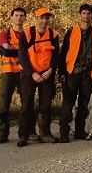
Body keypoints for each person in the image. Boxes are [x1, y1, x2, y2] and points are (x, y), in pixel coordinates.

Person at [58, 4, 92, 143]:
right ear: (80, 15)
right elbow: (63, 52)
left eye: (89, 13)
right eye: (84, 13)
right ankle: (64, 133)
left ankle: (79, 131)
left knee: (84, 103)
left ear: (91, 16)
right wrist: (62, 72)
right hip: (72, 72)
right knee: (68, 103)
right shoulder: (72, 31)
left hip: (88, 73)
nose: (86, 16)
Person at [17, 8, 60, 147]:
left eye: (47, 18)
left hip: (47, 74)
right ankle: (24, 135)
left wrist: (51, 70)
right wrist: (32, 73)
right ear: (36, 18)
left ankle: (45, 134)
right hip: (30, 75)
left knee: (45, 106)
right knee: (26, 106)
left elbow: (56, 56)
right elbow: (22, 56)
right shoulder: (27, 33)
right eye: (42, 18)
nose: (44, 21)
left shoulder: (53, 34)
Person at [0, 7, 27, 144]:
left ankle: (25, 134)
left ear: (25, 18)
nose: (19, 18)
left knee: (26, 105)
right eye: (16, 15)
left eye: (21, 15)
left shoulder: (28, 35)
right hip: (8, 73)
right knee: (3, 105)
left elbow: (31, 54)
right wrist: (21, 52)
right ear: (11, 18)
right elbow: (5, 52)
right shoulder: (5, 34)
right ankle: (2, 133)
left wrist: (12, 49)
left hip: (23, 74)